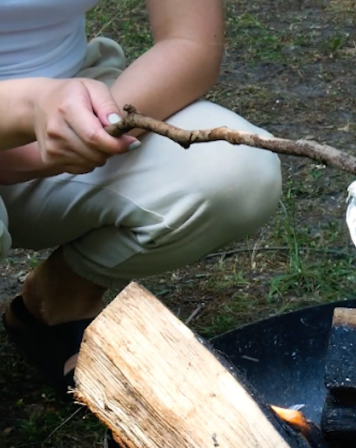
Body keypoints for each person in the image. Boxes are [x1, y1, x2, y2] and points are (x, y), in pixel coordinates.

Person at [0, 0, 283, 396]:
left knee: (236, 171)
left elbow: (189, 41)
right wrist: (29, 108)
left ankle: (58, 298)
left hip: (72, 105)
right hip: (37, 111)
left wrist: (78, 137)